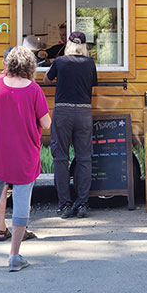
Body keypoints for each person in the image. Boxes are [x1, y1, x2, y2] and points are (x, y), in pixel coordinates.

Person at [0, 46, 51, 272]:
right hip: (24, 155)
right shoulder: (34, 90)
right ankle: (14, 256)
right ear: (29, 65)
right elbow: (46, 124)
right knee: (22, 203)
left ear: (8, 64)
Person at [44, 31, 97, 219]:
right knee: (84, 159)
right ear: (83, 46)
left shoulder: (60, 62)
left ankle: (65, 205)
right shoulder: (90, 63)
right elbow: (92, 84)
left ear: (68, 45)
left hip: (63, 112)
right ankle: (82, 204)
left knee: (61, 158)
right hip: (83, 112)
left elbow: (46, 79)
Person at [0, 46, 36, 243]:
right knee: (22, 189)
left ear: (4, 62)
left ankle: (0, 228)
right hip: (22, 143)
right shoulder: (29, 84)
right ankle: (20, 233)